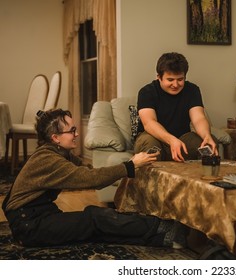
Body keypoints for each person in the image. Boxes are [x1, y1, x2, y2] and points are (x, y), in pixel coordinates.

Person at [2, 109, 187, 248]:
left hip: (40, 216)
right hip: (29, 225)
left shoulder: (60, 153)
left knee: (95, 230)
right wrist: (129, 166)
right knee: (93, 218)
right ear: (55, 137)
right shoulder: (48, 159)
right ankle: (161, 227)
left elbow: (91, 171)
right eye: (72, 130)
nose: (76, 134)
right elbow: (90, 179)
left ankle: (161, 239)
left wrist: (129, 170)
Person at [134, 52, 218, 162]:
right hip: (154, 139)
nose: (175, 84)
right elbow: (149, 123)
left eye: (180, 79)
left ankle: (202, 178)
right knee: (150, 143)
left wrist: (206, 136)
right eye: (170, 80)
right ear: (159, 77)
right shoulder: (147, 92)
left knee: (208, 143)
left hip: (182, 140)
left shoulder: (192, 90)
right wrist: (171, 140)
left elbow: (198, 118)